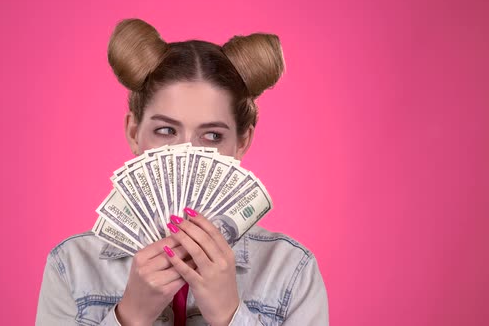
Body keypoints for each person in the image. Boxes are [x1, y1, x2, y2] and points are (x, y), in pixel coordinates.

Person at [36, 18, 329, 325]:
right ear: (134, 133)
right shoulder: (70, 265)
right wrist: (130, 316)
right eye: (165, 130)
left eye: (212, 136)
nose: (185, 154)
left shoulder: (291, 270)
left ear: (242, 142)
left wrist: (230, 314)